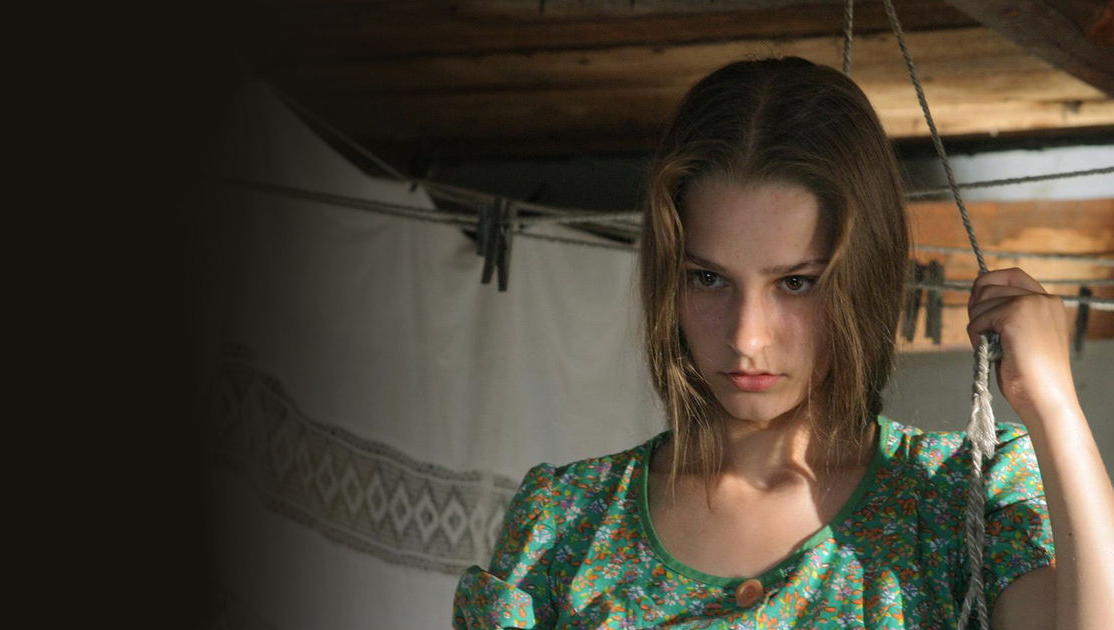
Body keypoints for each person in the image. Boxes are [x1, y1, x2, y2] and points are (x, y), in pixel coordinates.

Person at [451, 57, 1114, 629]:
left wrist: (1054, 405)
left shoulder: (958, 502)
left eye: (795, 283)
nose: (746, 337)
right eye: (708, 278)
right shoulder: (564, 525)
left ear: (864, 279)